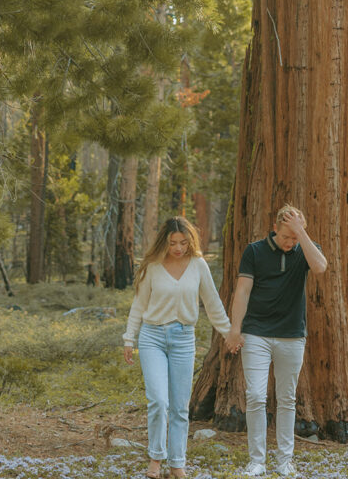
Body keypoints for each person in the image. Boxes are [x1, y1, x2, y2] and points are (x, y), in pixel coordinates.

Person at [123, 216, 230, 479]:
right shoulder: (152, 266)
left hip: (183, 338)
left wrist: (229, 333)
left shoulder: (198, 265)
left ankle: (177, 464)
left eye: (183, 242)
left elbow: (213, 303)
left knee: (180, 407)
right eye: (173, 243)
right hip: (152, 337)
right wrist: (129, 338)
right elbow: (138, 304)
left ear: (190, 241)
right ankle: (155, 460)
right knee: (158, 401)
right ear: (164, 242)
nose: (179, 248)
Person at [224, 204, 328, 478]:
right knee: (256, 396)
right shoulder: (254, 251)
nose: (290, 242)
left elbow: (320, 267)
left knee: (287, 399)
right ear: (274, 229)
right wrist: (235, 329)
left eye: (294, 237)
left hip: (292, 335)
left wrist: (300, 234)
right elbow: (243, 291)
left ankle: (285, 461)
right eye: (286, 236)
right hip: (256, 332)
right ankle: (256, 460)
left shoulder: (304, 249)